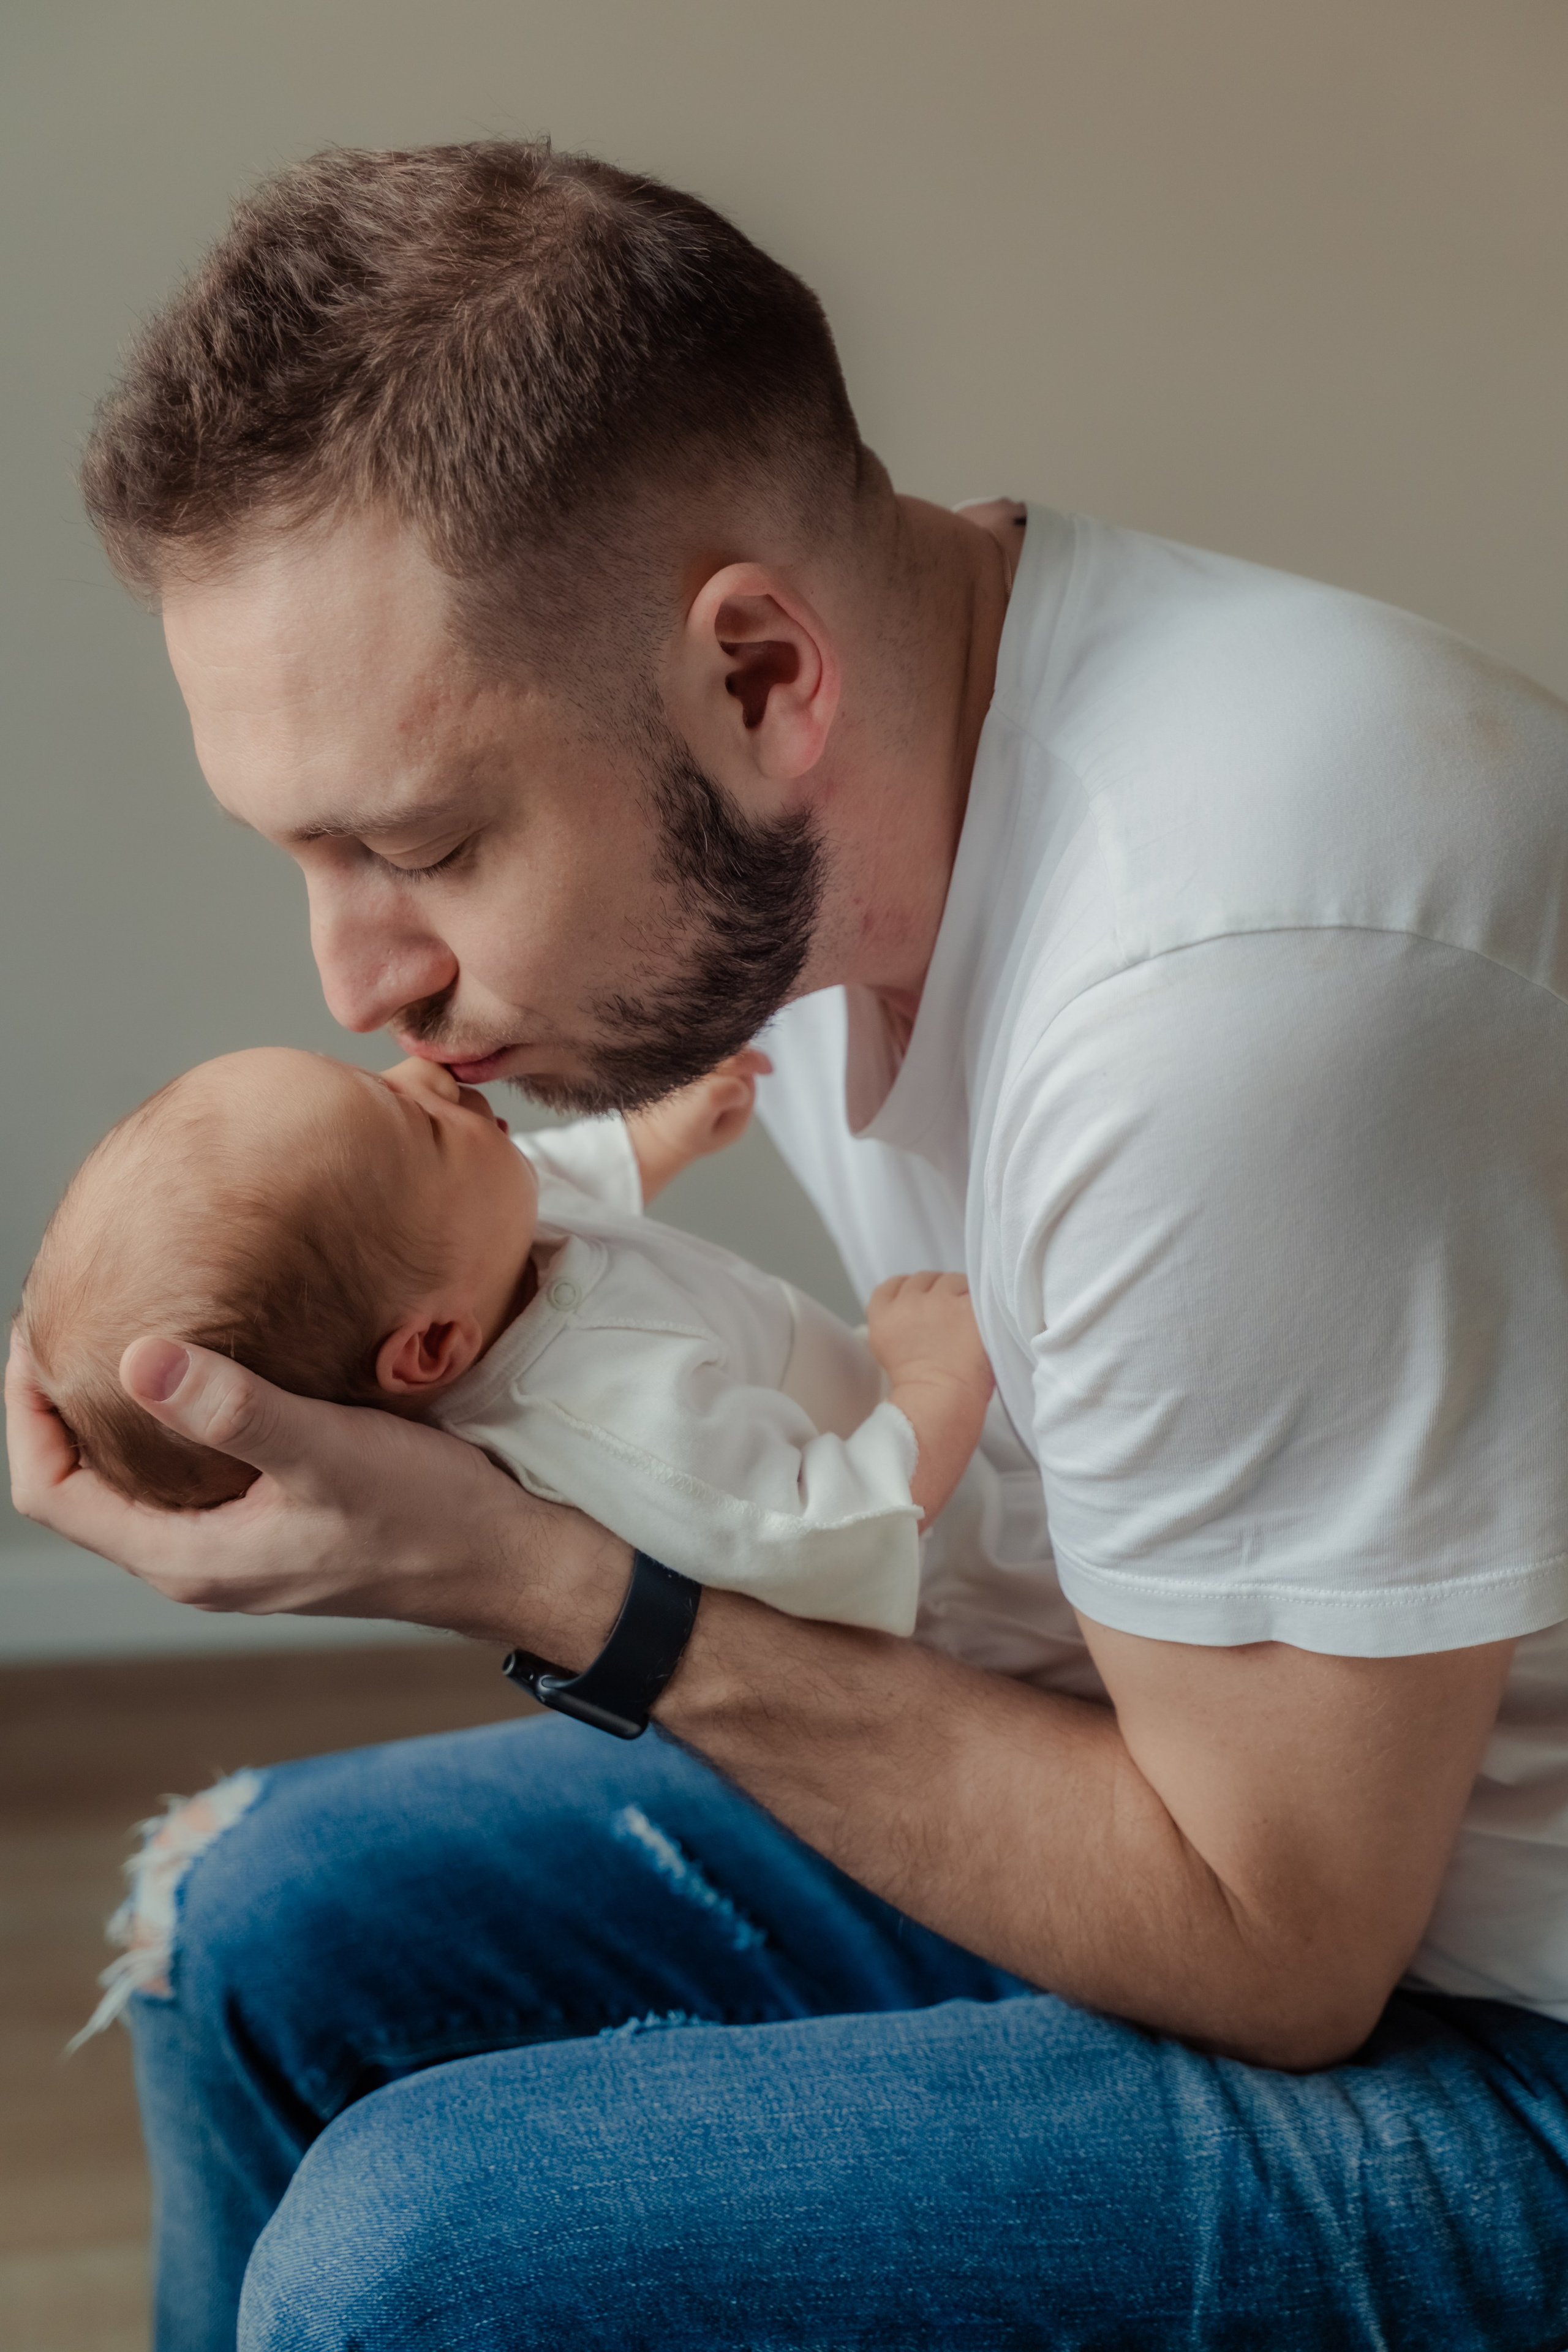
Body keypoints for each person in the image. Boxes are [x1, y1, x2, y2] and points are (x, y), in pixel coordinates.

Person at [8, 138, 1568, 2348]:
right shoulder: (882, 804)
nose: (359, 984)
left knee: (427, 2257)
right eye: (304, 856)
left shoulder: (1231, 1000)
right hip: (1179, 1767)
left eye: (422, 845)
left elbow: (1279, 1948)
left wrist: (535, 1573)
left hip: (1493, 2014)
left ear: (759, 674)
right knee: (258, 1924)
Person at [20, 1042, 989, 1626]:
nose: (422, 1071)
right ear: (431, 1352)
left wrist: (655, 1139)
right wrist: (934, 1384)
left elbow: (546, 1180)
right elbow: (822, 1537)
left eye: (373, 1078)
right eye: (419, 1125)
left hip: (928, 1444)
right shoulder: (599, 1415)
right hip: (973, 1566)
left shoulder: (470, 1261)